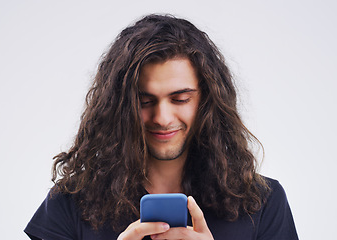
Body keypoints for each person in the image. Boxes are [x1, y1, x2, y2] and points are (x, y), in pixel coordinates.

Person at [25, 14, 299, 240]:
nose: (162, 117)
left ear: (206, 100)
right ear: (120, 106)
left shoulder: (263, 203)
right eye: (144, 101)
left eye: (180, 99)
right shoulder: (70, 203)